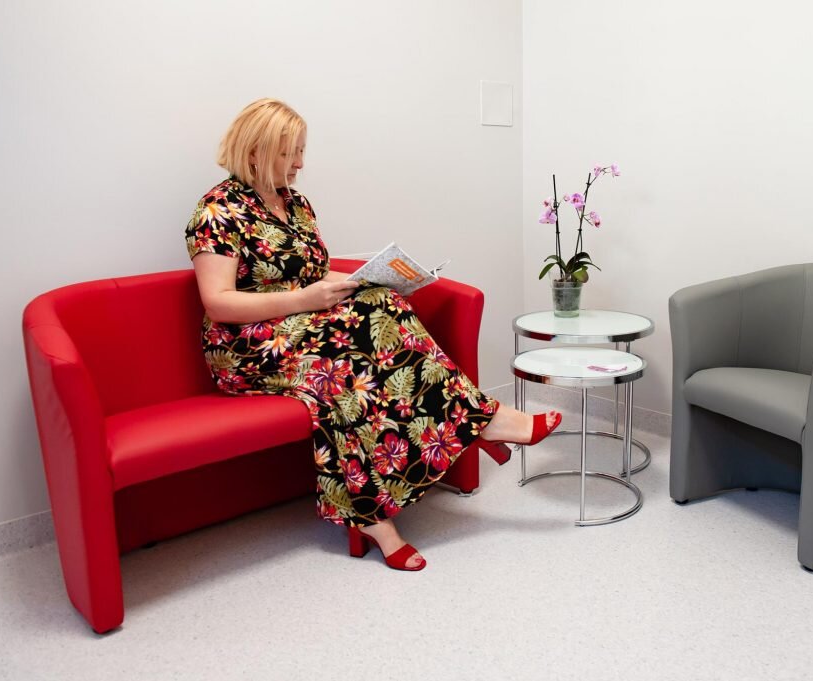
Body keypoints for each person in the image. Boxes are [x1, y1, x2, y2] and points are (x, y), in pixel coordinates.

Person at [185, 98, 562, 571]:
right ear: (256, 151)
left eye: (301, 151)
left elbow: (310, 275)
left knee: (382, 307)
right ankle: (481, 423)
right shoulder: (217, 210)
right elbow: (218, 301)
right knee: (336, 372)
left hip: (303, 328)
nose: (300, 163)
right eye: (289, 152)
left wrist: (352, 284)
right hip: (248, 347)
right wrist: (306, 299)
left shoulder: (295, 204)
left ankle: (376, 510)